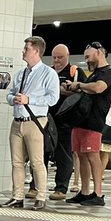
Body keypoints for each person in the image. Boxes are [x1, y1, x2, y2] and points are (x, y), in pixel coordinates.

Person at [2, 36, 59, 209]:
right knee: (16, 162)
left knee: (36, 162)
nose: (23, 51)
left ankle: (41, 197)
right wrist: (13, 99)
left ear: (36, 51)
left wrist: (29, 100)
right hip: (17, 122)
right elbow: (10, 94)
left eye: (26, 48)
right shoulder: (20, 73)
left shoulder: (49, 73)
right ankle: (17, 197)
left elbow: (53, 98)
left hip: (35, 121)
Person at [64, 41, 111, 208]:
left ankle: (98, 194)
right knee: (81, 155)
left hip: (94, 122)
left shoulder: (109, 72)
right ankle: (85, 191)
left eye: (88, 56)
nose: (86, 60)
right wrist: (74, 87)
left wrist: (80, 85)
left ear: (99, 52)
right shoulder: (94, 73)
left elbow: (99, 88)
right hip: (81, 120)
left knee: (93, 155)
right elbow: (88, 89)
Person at [47, 44, 77, 199]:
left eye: (60, 57)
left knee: (63, 154)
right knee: (41, 152)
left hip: (66, 120)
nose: (57, 60)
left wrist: (58, 90)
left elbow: (79, 92)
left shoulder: (74, 72)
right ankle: (35, 185)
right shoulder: (48, 72)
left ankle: (61, 187)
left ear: (68, 56)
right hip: (46, 118)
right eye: (54, 57)